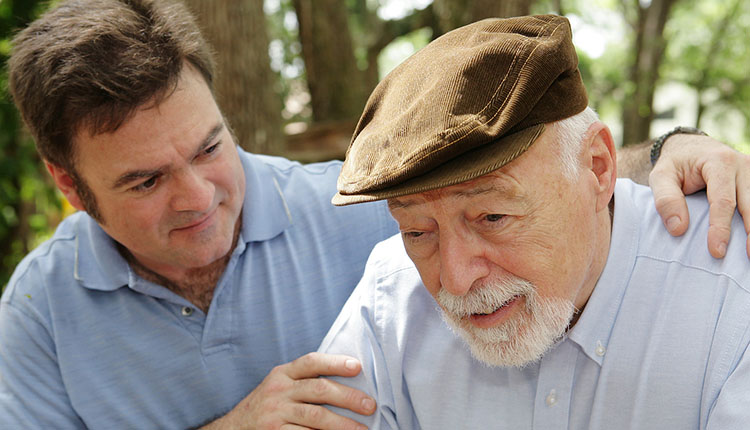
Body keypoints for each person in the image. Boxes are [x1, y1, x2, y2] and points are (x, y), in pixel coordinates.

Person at [0, 1, 746, 428]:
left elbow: (540, 170)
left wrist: (679, 149)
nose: (198, 195)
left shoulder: (348, 218)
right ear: (72, 187)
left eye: (210, 147)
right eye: (145, 181)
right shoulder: (38, 312)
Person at [320, 15, 750, 429]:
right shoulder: (389, 299)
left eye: (493, 217)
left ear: (598, 168)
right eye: (417, 231)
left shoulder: (730, 296)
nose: (455, 280)